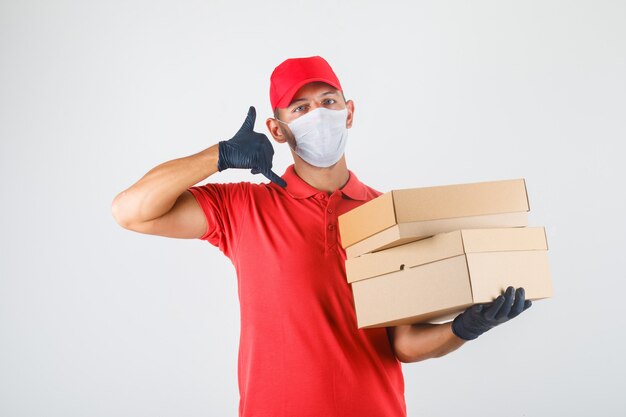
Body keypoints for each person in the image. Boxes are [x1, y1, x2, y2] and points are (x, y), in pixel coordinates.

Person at [111, 55, 532, 417]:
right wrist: (219, 155)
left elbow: (404, 344)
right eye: (300, 108)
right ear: (277, 130)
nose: (319, 115)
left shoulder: (389, 215)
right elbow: (130, 211)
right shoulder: (243, 208)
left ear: (349, 112)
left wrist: (464, 328)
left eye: (328, 102)